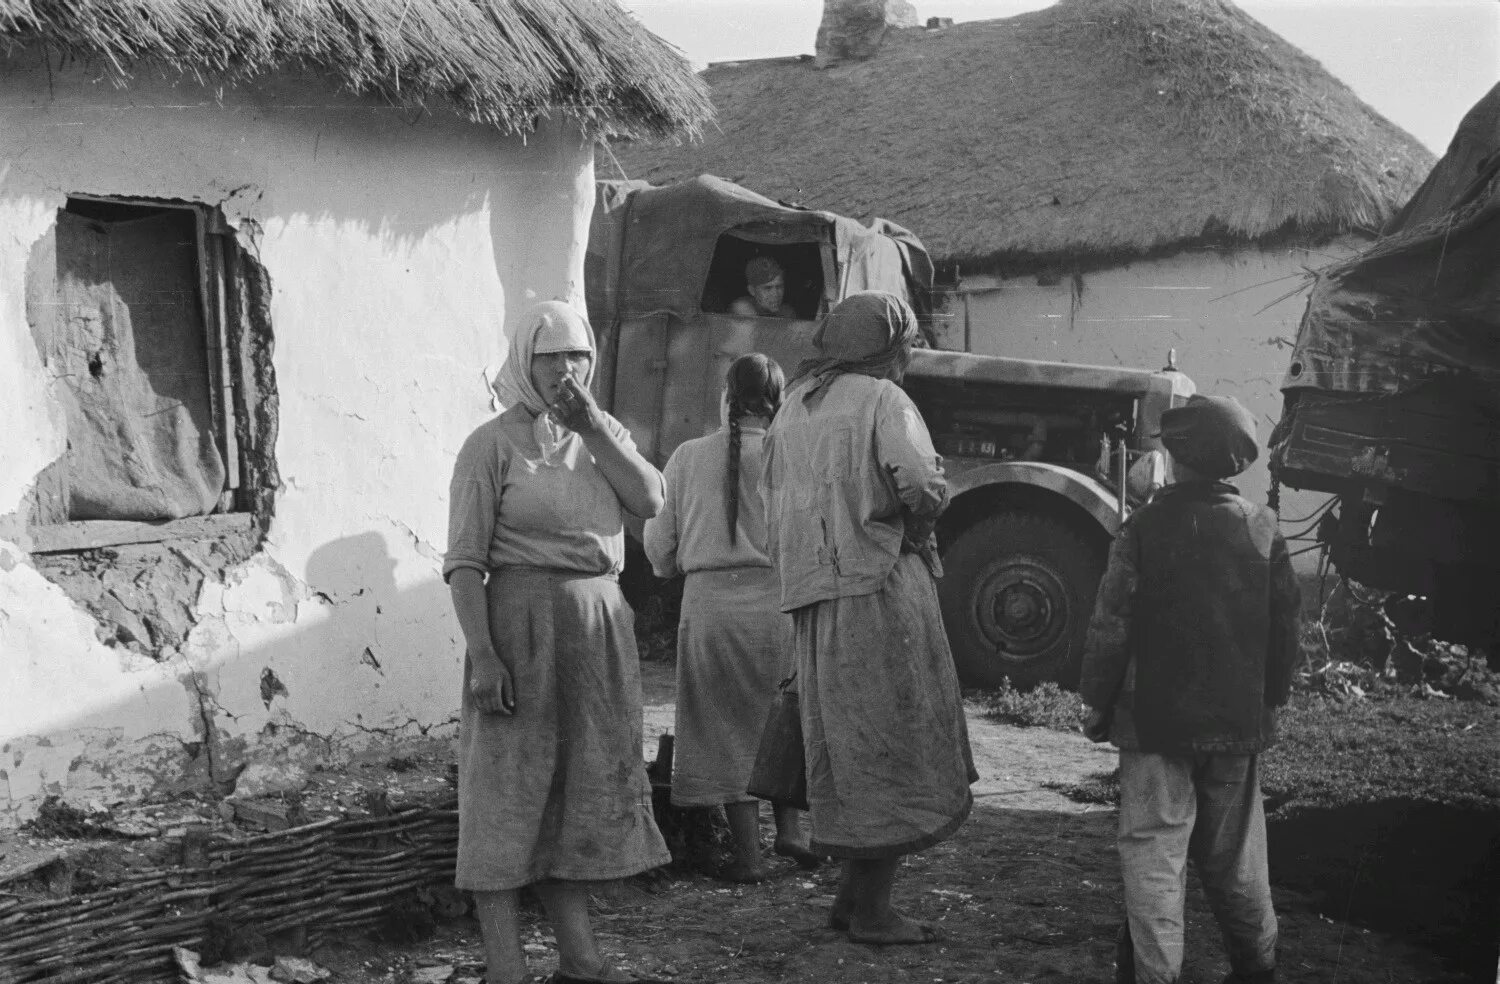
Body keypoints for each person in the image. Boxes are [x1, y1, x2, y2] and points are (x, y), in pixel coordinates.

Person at [444, 301, 671, 984]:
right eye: (552, 357)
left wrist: (594, 426)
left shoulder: (603, 436)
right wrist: (484, 654)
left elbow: (652, 500)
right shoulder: (491, 444)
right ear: (524, 363)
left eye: (578, 357)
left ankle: (581, 962)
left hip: (597, 637)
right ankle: (506, 969)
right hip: (519, 632)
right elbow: (463, 563)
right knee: (504, 795)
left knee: (574, 799)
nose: (566, 371)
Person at [760, 290, 976, 945]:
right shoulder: (883, 400)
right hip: (878, 589)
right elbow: (921, 481)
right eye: (904, 341)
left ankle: (854, 900)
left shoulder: (793, 404)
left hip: (816, 598)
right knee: (891, 745)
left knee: (848, 749)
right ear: (887, 345)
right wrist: (915, 523)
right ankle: (875, 911)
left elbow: (768, 503)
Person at [1079, 394, 1301, 984]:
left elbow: (1111, 625)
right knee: (1237, 860)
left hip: (1154, 725)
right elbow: (1286, 632)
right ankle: (1258, 967)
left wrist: (1096, 701)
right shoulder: (1264, 529)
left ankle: (1156, 975)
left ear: (1174, 455)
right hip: (1235, 726)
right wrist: (1270, 702)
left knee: (1155, 853)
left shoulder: (1144, 527)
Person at [642, 353, 819, 883]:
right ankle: (791, 831)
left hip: (712, 608)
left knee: (724, 728)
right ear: (779, 402)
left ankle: (748, 858)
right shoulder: (797, 456)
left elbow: (659, 551)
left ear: (726, 397)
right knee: (782, 718)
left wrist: (681, 560)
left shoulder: (688, 457)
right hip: (781, 607)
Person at [729, 256, 796, 319]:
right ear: (752, 290)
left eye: (779, 287)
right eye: (768, 288)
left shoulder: (787, 312)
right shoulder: (742, 308)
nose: (775, 294)